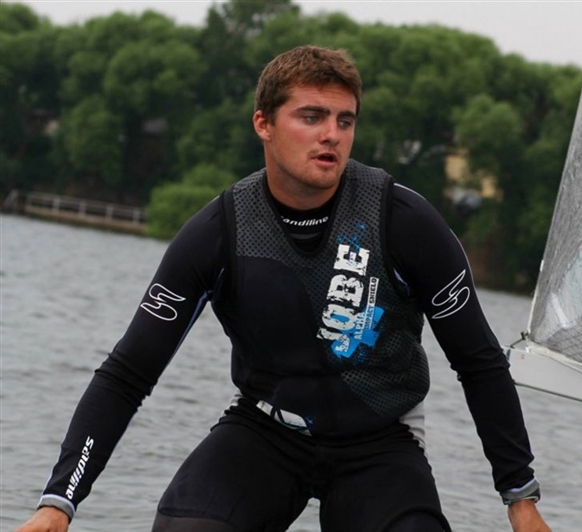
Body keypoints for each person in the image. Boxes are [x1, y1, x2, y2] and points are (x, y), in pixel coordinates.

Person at [17, 45, 550, 532]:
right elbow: (127, 373)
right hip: (264, 430)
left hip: (381, 441)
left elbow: (478, 362)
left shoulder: (404, 221)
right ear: (264, 124)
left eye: (345, 120)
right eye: (311, 117)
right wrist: (59, 502)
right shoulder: (218, 233)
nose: (332, 134)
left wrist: (520, 498)